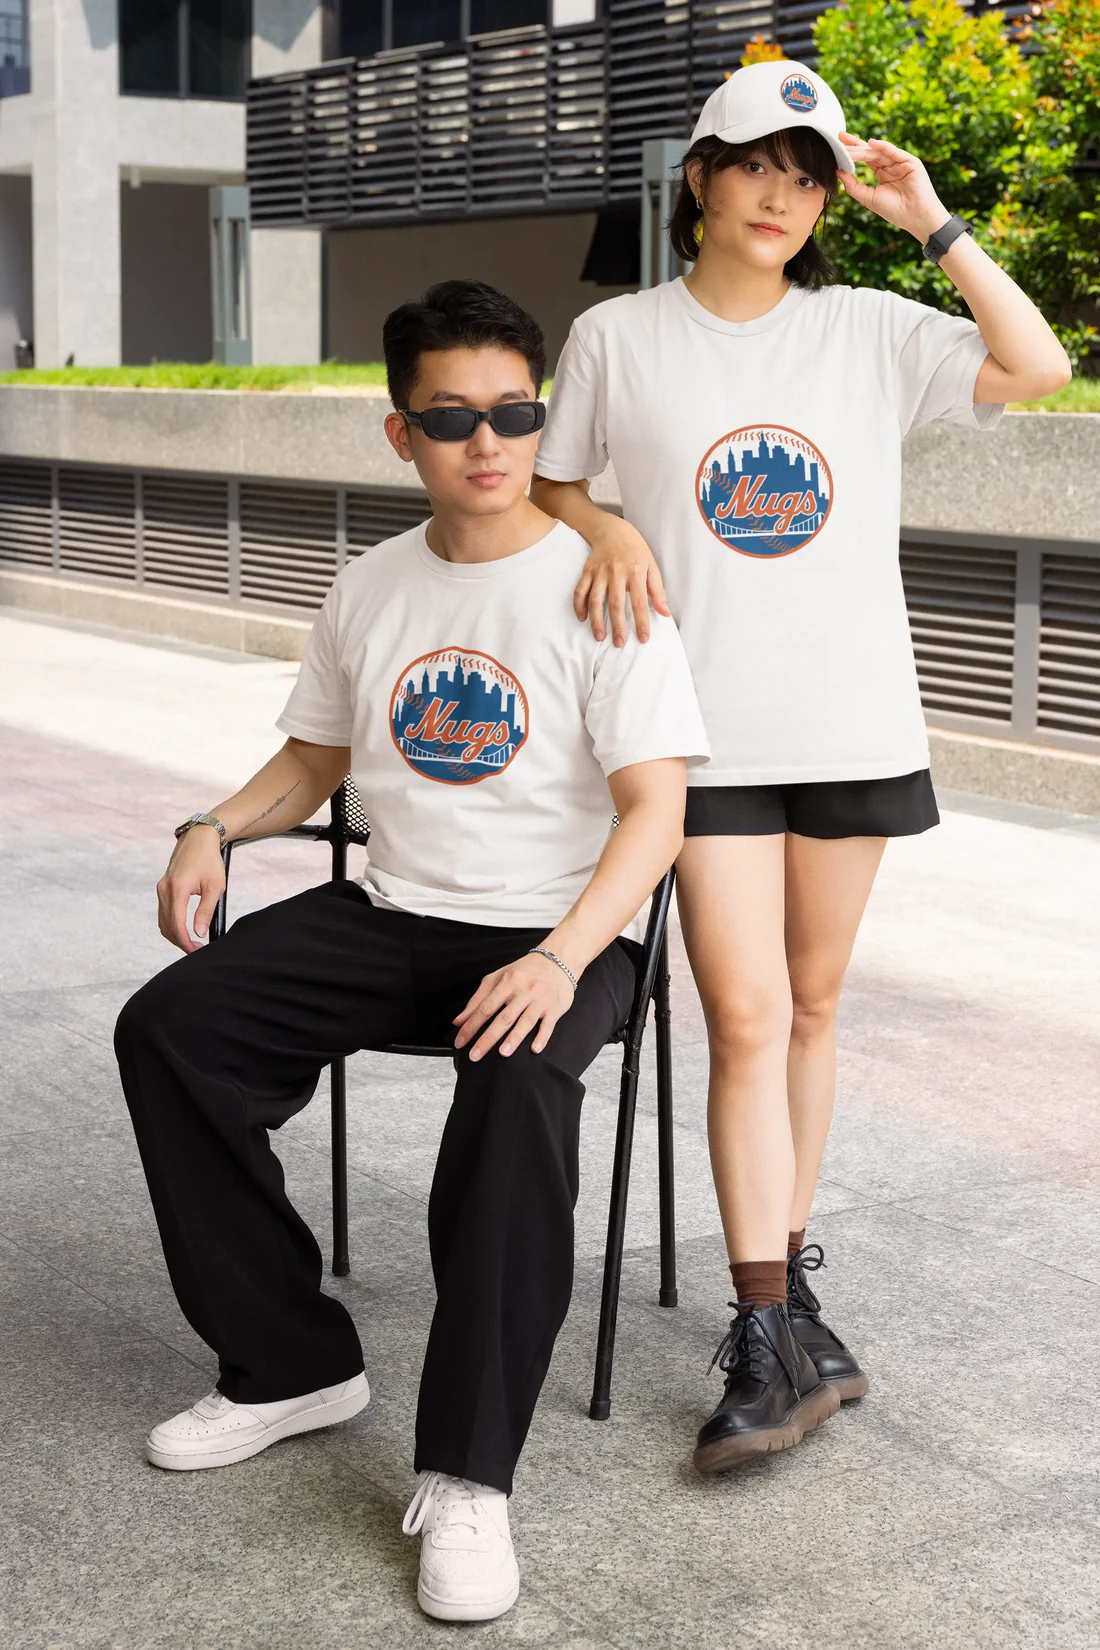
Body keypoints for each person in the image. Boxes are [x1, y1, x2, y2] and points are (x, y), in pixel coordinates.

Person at [113, 279, 709, 1621]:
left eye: (514, 412)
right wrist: (215, 821)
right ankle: (287, 1362)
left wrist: (560, 958)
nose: (487, 441)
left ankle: (469, 1475)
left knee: (511, 1077)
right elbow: (318, 757)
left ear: (540, 416)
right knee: (171, 1027)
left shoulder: (605, 586)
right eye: (452, 417)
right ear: (402, 435)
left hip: (566, 926)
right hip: (397, 910)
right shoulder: (371, 583)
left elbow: (656, 810)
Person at [531, 58, 1071, 1475]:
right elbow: (551, 475)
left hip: (850, 720)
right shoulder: (619, 338)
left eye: (809, 172)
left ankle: (786, 1288)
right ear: (699, 176)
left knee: (816, 1005)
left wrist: (936, 222)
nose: (782, 190)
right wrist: (604, 531)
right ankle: (765, 1325)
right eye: (756, 162)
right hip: (697, 731)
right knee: (747, 1014)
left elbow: (1041, 365)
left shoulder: (871, 330)